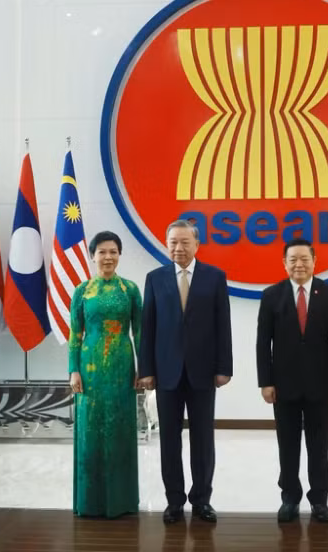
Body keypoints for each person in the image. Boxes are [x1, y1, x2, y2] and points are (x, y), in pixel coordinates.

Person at [138, 219, 233, 524]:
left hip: (204, 372)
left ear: (197, 245)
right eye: (173, 243)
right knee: (169, 440)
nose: (178, 248)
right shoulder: (154, 278)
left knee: (203, 440)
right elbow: (147, 328)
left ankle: (202, 500)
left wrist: (224, 368)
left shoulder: (215, 277)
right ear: (167, 245)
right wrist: (147, 370)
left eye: (184, 242)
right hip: (165, 372)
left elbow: (223, 326)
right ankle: (174, 501)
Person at [256, 238, 328, 524]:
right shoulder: (272, 295)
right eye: (292, 259)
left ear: (314, 261)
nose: (299, 264)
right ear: (284, 263)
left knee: (319, 446)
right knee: (288, 445)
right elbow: (263, 343)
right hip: (283, 386)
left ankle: (319, 500)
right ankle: (289, 498)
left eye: (304, 259)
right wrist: (265, 382)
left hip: (321, 384)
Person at [68, 230, 142, 518]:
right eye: (102, 252)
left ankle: (121, 501)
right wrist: (73, 369)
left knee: (121, 428)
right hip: (89, 369)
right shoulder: (82, 291)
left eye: (113, 251)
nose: (108, 257)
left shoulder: (131, 290)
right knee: (90, 429)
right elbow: (75, 334)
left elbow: (140, 332)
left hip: (123, 367)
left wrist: (143, 368)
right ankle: (90, 501)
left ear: (119, 255)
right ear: (93, 256)